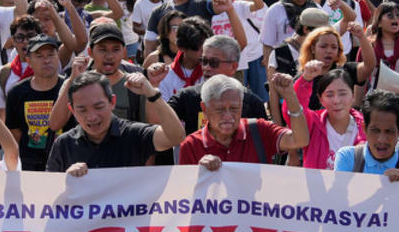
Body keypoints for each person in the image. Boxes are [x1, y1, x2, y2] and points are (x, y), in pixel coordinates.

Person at [46, 71, 186, 172]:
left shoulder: (134, 134)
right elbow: (48, 197)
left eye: (98, 107)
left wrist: (152, 94)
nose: (92, 117)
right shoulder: (64, 144)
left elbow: (175, 137)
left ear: (112, 102)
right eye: (82, 110)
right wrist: (66, 181)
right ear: (72, 109)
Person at [181, 74, 310, 167]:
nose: (228, 116)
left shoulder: (259, 130)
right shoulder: (191, 146)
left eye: (234, 108)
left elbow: (300, 140)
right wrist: (200, 172)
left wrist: (290, 96)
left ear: (241, 106)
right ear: (205, 109)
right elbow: (184, 194)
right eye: (220, 110)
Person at [169, 35, 267, 134]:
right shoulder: (186, 97)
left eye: (213, 62)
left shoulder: (252, 104)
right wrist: (154, 87)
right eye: (204, 61)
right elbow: (159, 124)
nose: (206, 67)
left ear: (233, 67)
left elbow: (265, 141)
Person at [5, 35, 69, 171]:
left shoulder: (71, 88)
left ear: (58, 57)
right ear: (28, 60)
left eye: (51, 55)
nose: (46, 60)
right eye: (39, 56)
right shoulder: (16, 93)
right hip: (30, 166)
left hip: (67, 161)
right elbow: (14, 131)